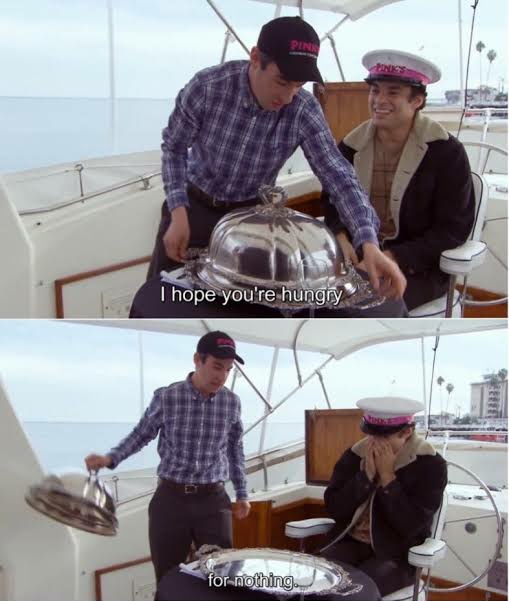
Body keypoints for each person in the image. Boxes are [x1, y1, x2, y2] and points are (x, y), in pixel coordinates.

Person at [147, 16, 406, 307]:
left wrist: (368, 243)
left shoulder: (303, 110)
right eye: (281, 82)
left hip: (250, 223)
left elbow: (338, 175)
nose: (287, 97)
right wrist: (178, 211)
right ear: (255, 58)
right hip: (191, 208)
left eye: (298, 85)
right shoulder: (207, 87)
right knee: (164, 300)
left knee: (240, 311)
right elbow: (174, 147)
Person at [84, 331, 251, 584]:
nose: (222, 376)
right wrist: (110, 459)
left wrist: (242, 494)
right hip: (171, 501)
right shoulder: (167, 397)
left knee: (221, 576)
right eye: (217, 366)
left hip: (213, 502)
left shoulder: (232, 403)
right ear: (197, 359)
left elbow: (235, 450)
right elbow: (141, 434)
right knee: (168, 579)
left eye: (228, 370)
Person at [324, 50, 475, 311]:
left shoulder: (447, 152)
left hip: (419, 269)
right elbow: (331, 198)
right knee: (308, 298)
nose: (379, 100)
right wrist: (340, 236)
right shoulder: (350, 146)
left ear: (417, 100)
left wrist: (393, 256)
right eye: (375, 91)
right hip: (357, 259)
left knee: (360, 306)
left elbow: (452, 230)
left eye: (392, 93)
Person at [322, 397, 447, 597]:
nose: (375, 443)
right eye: (372, 435)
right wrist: (365, 477)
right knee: (310, 581)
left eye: (385, 437)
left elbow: (411, 525)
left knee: (353, 592)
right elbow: (334, 508)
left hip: (397, 554)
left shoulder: (430, 465)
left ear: (407, 432)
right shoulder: (355, 455)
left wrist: (388, 478)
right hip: (350, 542)